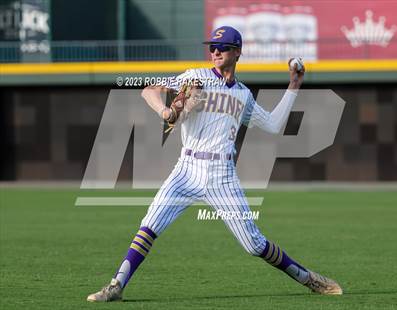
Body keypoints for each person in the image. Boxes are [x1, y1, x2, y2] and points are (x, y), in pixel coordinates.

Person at [87, 26, 342, 302]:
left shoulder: (243, 94)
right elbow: (149, 89)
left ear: (237, 52)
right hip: (186, 169)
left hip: (222, 175)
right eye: (212, 47)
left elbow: (273, 124)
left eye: (222, 47)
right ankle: (116, 285)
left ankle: (309, 278)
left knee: (254, 244)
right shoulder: (196, 76)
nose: (215, 51)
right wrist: (167, 111)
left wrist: (294, 84)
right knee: (149, 224)